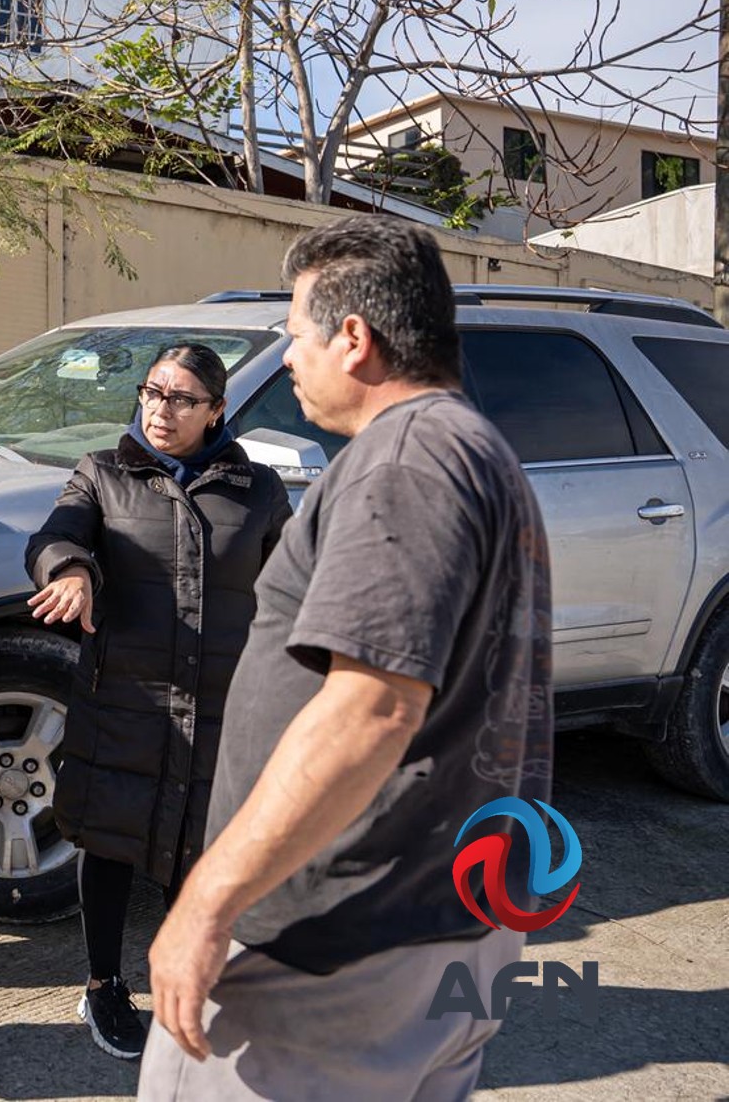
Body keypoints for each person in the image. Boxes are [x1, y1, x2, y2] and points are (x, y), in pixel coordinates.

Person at [139, 215, 554, 1099]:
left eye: (297, 335)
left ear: (354, 339)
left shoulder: (406, 460)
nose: (290, 357)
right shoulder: (477, 451)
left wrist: (208, 901)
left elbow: (372, 707)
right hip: (439, 927)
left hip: (337, 948)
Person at [25, 344, 290, 1060]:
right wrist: (71, 571)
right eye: (152, 392)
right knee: (110, 840)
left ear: (216, 411)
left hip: (220, 706)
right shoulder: (102, 473)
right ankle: (103, 983)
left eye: (181, 398)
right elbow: (56, 535)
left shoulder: (257, 489)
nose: (160, 409)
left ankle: (188, 979)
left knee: (198, 850)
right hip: (125, 701)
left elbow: (290, 587)